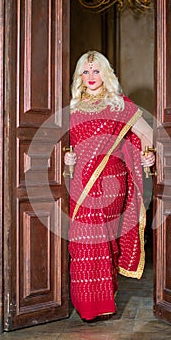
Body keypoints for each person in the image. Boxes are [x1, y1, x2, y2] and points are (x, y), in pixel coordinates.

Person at [64, 50, 155, 322]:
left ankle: (103, 302)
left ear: (106, 74)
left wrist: (146, 155)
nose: (91, 77)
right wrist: (66, 158)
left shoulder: (119, 104)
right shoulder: (72, 107)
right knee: (81, 243)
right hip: (81, 183)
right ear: (79, 76)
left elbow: (147, 135)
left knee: (105, 242)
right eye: (86, 71)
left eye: (96, 70)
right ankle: (87, 306)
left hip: (111, 182)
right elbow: (66, 146)